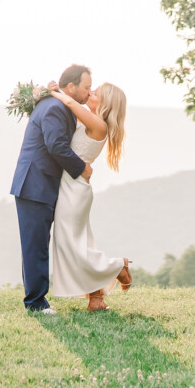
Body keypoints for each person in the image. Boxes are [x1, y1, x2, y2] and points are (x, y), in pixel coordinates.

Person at [9, 64, 95, 314]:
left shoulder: (59, 106)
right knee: (35, 244)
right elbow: (56, 145)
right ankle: (36, 302)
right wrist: (82, 168)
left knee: (37, 243)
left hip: (40, 184)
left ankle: (37, 298)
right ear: (70, 87)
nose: (89, 93)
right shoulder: (55, 108)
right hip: (34, 184)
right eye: (86, 88)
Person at [43, 80, 132, 311]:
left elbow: (71, 102)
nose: (90, 93)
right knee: (79, 242)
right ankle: (96, 299)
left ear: (104, 103)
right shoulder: (90, 121)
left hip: (74, 189)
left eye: (95, 93)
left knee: (69, 244)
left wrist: (54, 92)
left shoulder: (98, 125)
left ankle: (117, 266)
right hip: (72, 185)